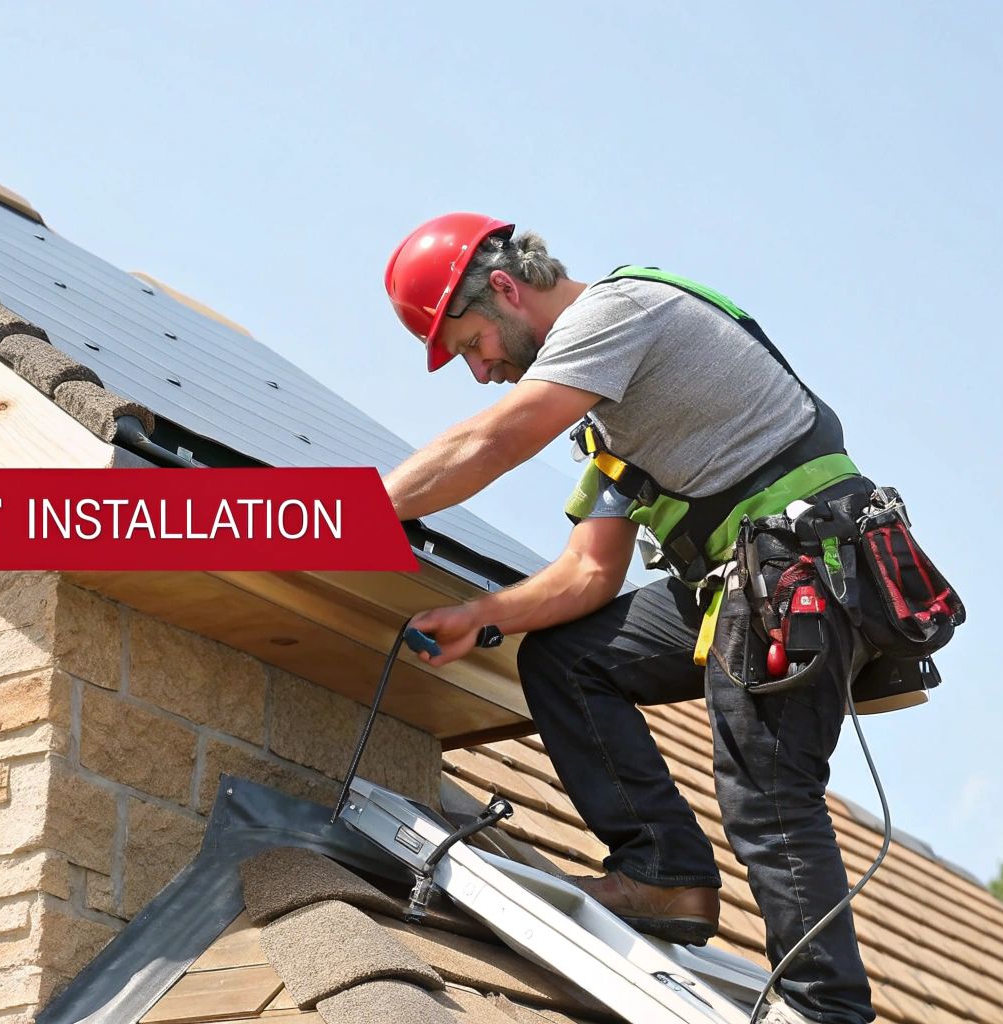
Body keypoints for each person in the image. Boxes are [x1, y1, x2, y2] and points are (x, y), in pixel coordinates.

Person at [380, 212, 897, 1024]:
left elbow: (491, 441)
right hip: (750, 575)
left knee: (766, 789)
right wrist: (482, 616)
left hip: (801, 564)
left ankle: (828, 1010)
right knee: (566, 659)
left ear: (506, 290)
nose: (481, 371)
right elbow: (589, 574)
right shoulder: (611, 416)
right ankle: (664, 872)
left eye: (471, 342)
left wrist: (345, 511)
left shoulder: (616, 315)